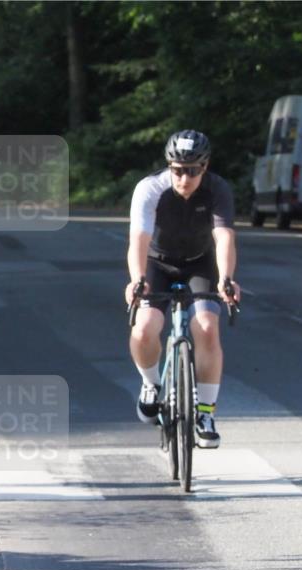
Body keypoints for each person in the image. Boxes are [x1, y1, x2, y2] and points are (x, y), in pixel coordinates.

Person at [124, 129, 240, 448]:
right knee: (145, 328)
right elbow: (139, 239)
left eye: (192, 171)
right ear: (168, 167)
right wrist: (137, 279)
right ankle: (150, 384)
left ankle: (205, 413)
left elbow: (224, 238)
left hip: (200, 263)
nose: (184, 178)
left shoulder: (217, 190)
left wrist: (226, 278)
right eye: (177, 170)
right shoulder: (150, 188)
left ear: (205, 167)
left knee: (206, 327)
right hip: (157, 262)